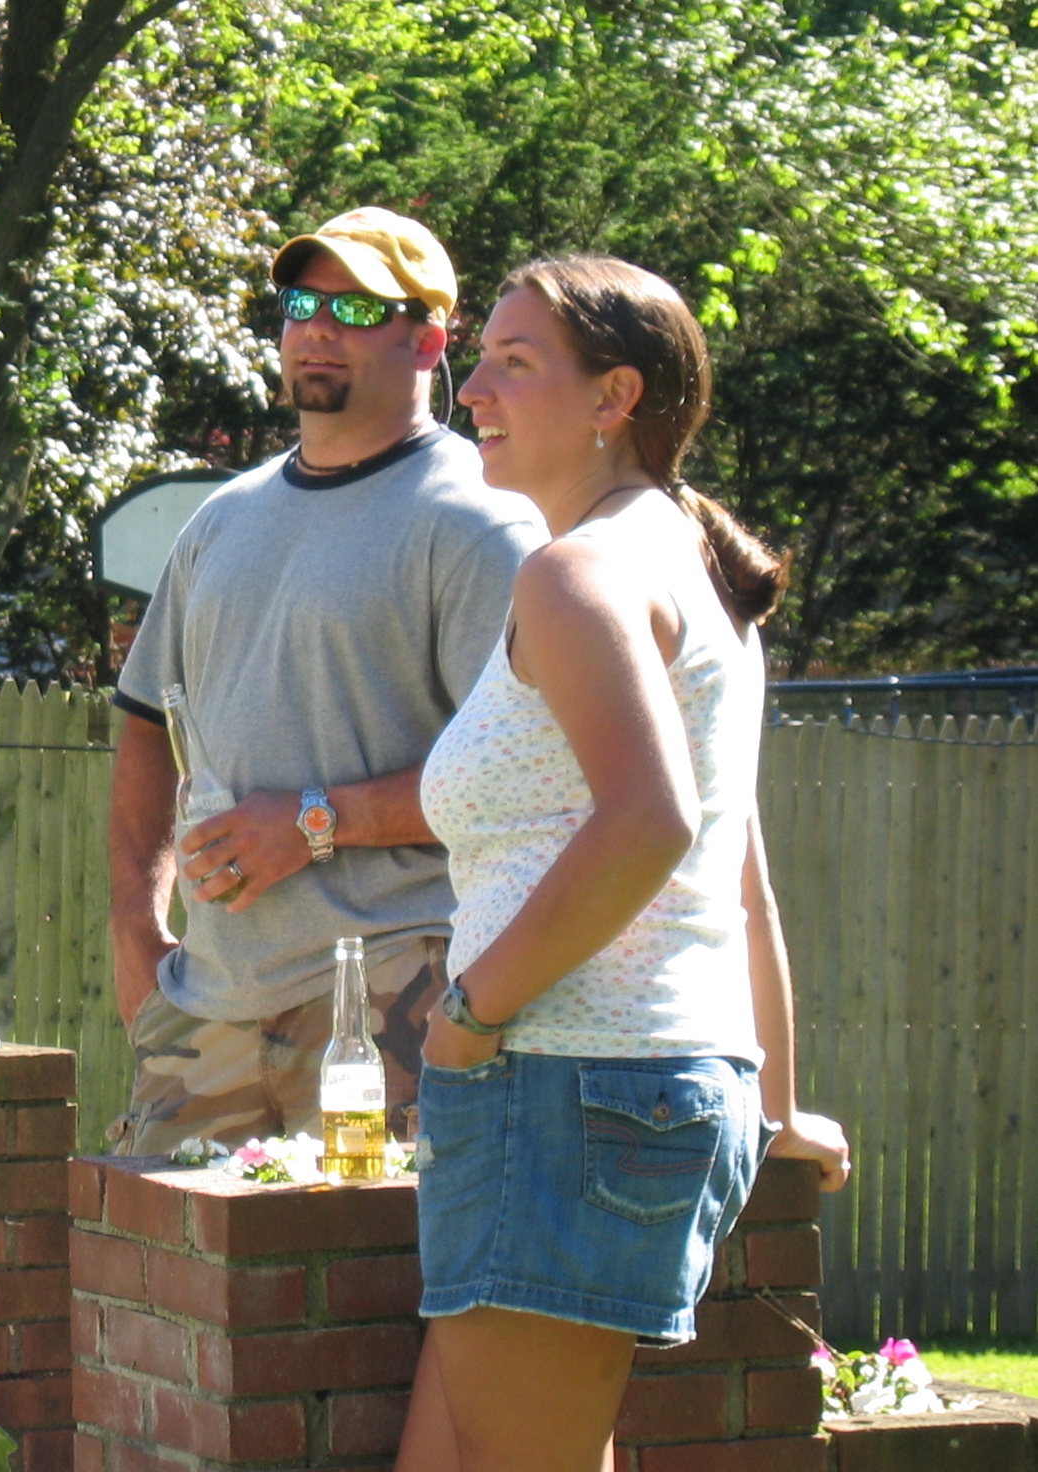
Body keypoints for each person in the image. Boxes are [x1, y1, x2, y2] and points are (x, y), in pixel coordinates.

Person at [400, 255, 851, 1472]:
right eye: (479, 359)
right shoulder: (684, 565)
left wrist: (467, 1015)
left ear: (615, 396)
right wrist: (775, 1105)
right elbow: (740, 879)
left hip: (560, 1082)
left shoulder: (580, 572)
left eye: (513, 362)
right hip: (620, 1087)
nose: (473, 388)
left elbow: (652, 823)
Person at [106, 208, 546, 1153]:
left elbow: (518, 778)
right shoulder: (220, 520)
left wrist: (315, 821)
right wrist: (135, 931)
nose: (315, 328)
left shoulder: (480, 522)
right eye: (301, 304)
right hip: (204, 1008)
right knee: (157, 1251)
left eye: (355, 309)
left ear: (427, 339)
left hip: (391, 987)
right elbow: (144, 724)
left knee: (368, 1252)